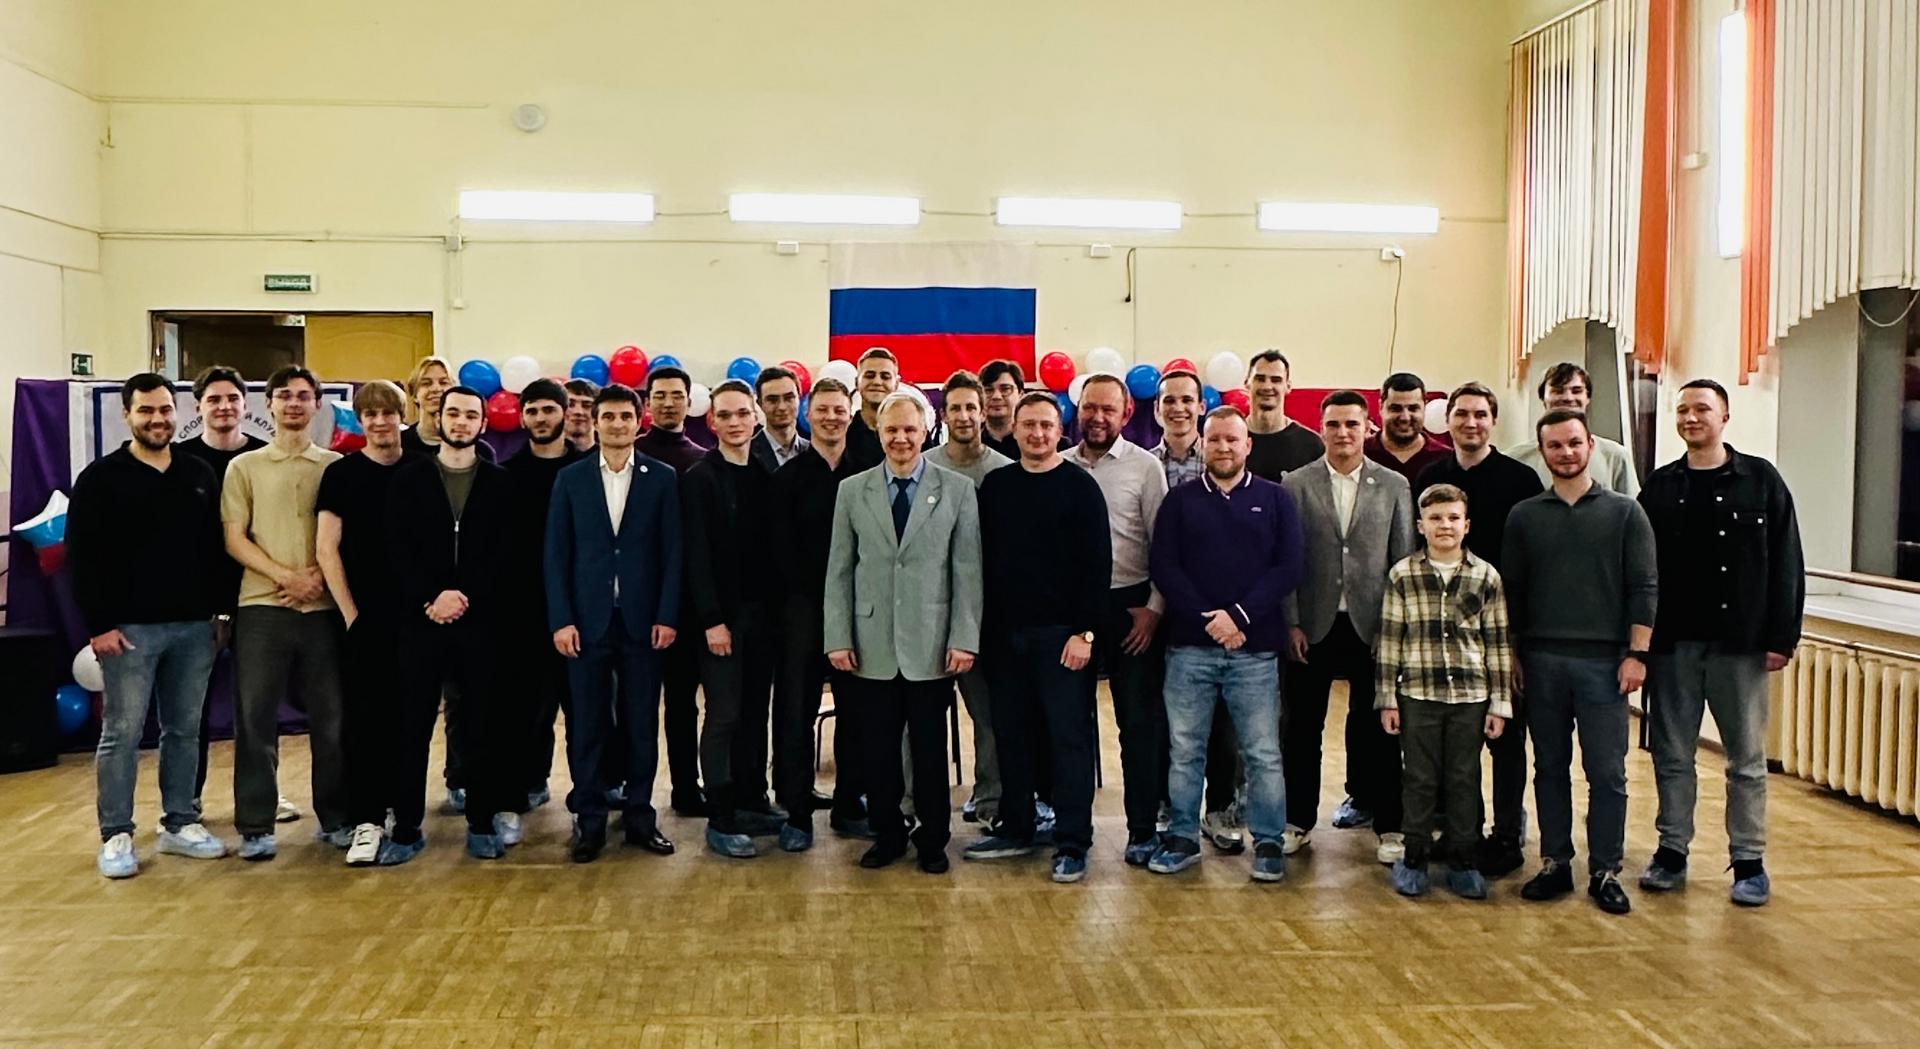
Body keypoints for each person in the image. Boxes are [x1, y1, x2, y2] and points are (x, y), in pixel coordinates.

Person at [1637, 379, 1804, 907]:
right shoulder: (1660, 487)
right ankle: (1671, 851)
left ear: (1724, 417)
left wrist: (1782, 637)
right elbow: (1639, 569)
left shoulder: (1761, 480)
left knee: (1747, 760)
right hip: (1673, 646)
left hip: (1741, 645)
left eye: (1702, 409)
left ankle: (1749, 861)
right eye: (1683, 409)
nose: (1691, 418)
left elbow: (1787, 562)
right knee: (1672, 756)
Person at [71, 373, 229, 878]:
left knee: (184, 730)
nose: (157, 419)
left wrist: (221, 613)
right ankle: (116, 833)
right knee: (121, 733)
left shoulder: (198, 472)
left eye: (164, 410)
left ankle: (180, 822)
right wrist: (99, 625)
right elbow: (83, 558)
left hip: (194, 628)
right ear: (127, 415)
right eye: (146, 410)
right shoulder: (100, 479)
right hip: (129, 632)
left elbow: (215, 550)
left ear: (176, 413)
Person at [1504, 409, 1657, 915]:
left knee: (1607, 773)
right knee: (1549, 768)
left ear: (1591, 446)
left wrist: (1637, 654)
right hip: (1541, 661)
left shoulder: (1626, 513)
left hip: (1605, 664)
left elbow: (1644, 587)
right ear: (1542, 452)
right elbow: (1513, 592)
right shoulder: (1524, 516)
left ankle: (1606, 869)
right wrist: (1514, 654)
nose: (1565, 452)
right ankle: (1555, 862)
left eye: (1574, 442)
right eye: (1555, 445)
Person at [824, 392, 983, 873]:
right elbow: (839, 570)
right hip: (871, 642)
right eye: (891, 430)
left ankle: (933, 839)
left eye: (910, 430)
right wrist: (838, 636)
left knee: (929, 750)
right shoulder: (852, 490)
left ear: (925, 431)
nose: (900, 438)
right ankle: (887, 834)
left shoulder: (957, 490)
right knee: (878, 749)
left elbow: (967, 571)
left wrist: (964, 638)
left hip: (932, 642)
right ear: (879, 433)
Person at [1146, 407, 1305, 882]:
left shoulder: (1276, 499)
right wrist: (1208, 619)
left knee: (1262, 753)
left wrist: (1238, 616)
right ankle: (1181, 838)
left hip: (1254, 650)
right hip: (1189, 649)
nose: (1223, 447)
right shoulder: (1179, 501)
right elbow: (1165, 566)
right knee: (1184, 750)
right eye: (1214, 439)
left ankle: (1269, 841)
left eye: (1232, 440)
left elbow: (1288, 567)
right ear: (1202, 444)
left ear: (1247, 445)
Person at [966, 392, 1109, 882]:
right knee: (1011, 735)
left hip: (1063, 640)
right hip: (1005, 639)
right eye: (1029, 424)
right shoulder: (997, 486)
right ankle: (1017, 827)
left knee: (1067, 741)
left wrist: (1085, 633)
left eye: (1047, 425)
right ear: (1015, 428)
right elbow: (981, 562)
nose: (1037, 433)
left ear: (1060, 430)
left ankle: (1072, 841)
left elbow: (1098, 567)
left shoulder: (1081, 487)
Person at [546, 383, 682, 862]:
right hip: (586, 623)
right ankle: (589, 820)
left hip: (644, 624)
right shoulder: (571, 479)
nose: (617, 424)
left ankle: (641, 816)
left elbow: (673, 551)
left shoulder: (661, 477)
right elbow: (556, 554)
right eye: (609, 417)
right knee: (587, 726)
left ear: (639, 422)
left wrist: (667, 614)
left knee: (642, 723)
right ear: (595, 422)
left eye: (626, 416)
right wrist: (562, 620)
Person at [1412, 382, 1543, 876]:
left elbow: (1531, 563)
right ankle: (1456, 831)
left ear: (1493, 421)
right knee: (1450, 745)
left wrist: (1515, 642)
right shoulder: (1431, 476)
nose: (1470, 423)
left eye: (1480, 415)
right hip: (1441, 633)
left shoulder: (1521, 480)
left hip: (1501, 630)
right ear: (1447, 420)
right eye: (1461, 414)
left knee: (1505, 740)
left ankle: (1506, 834)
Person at [1281, 390, 1415, 862]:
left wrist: (1395, 631)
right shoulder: (1296, 484)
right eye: (1334, 424)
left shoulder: (1394, 485)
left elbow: (1402, 561)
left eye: (1352, 424)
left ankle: (1390, 825)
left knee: (1380, 728)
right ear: (1321, 429)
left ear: (1368, 428)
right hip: (1313, 625)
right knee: (1301, 729)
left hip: (1373, 626)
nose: (1342, 433)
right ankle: (1296, 821)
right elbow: (1287, 560)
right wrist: (1291, 622)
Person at [386, 386, 517, 860]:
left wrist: (465, 598)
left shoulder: (501, 484)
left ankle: (482, 822)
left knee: (482, 724)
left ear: (484, 424)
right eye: (453, 413)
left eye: (470, 415)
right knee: (411, 726)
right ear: (437, 418)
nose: (461, 422)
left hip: (480, 624)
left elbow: (507, 554)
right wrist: (431, 596)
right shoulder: (408, 479)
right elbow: (396, 549)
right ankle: (406, 827)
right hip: (421, 621)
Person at [222, 365, 345, 861]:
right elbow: (235, 538)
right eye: (284, 396)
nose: (294, 403)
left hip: (324, 609)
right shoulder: (244, 468)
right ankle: (256, 824)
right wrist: (285, 577)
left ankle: (337, 817)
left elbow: (346, 539)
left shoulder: (335, 466)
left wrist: (316, 577)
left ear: (317, 404)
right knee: (255, 718)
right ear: (268, 404)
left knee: (332, 719)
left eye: (303, 396)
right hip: (262, 609)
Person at [1375, 483, 1513, 900]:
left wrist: (1500, 703)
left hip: (1470, 698)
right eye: (1435, 518)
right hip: (1418, 695)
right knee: (1419, 778)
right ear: (1420, 525)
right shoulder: (1403, 574)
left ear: (1467, 525)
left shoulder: (1486, 576)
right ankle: (1414, 855)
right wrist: (1387, 698)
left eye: (1454, 518)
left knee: (1463, 778)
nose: (1445, 526)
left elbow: (1498, 643)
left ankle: (1463, 858)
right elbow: (1390, 640)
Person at [314, 380, 422, 866]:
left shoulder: (422, 470)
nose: (380, 421)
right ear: (359, 420)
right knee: (364, 722)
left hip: (417, 619)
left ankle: (406, 815)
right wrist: (351, 614)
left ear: (403, 415)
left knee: (410, 722)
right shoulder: (341, 475)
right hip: (363, 619)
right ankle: (367, 820)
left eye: (387, 412)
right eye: (370, 414)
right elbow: (326, 548)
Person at [1066, 374, 1170, 867]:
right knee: (1071, 725)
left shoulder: (1145, 467)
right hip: (1075, 610)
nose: (1098, 417)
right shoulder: (1061, 465)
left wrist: (1154, 609)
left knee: (1139, 726)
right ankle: (1073, 833)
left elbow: (1164, 545)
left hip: (1133, 609)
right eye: (1090, 407)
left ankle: (1143, 830)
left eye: (1108, 409)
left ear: (1127, 413)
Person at [681, 380, 782, 857]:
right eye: (726, 415)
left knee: (754, 714)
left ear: (756, 417)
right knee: (723, 714)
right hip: (720, 622)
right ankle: (720, 816)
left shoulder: (765, 473)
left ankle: (750, 800)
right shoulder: (700, 478)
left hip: (762, 619)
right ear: (712, 422)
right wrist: (711, 621)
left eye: (743, 413)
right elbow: (696, 556)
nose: (736, 422)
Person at [173, 365, 277, 820]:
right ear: (198, 406)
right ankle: (188, 799)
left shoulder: (263, 457)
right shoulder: (180, 462)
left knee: (257, 708)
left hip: (258, 600)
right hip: (198, 607)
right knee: (190, 710)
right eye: (214, 399)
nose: (224, 407)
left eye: (232, 399)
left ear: (245, 404)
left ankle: (262, 795)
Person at [770, 379, 868, 850]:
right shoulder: (786, 478)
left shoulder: (868, 472)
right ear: (808, 415)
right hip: (801, 612)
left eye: (839, 409)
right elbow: (779, 553)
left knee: (857, 712)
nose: (831, 417)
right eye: (822, 409)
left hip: (858, 611)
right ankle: (796, 813)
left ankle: (850, 804)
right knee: (795, 712)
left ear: (850, 414)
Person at [923, 370, 1014, 826]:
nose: (963, 415)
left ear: (983, 412)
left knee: (989, 714)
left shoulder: (1004, 471)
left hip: (986, 616)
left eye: (970, 407)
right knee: (921, 719)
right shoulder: (922, 466)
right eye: (955, 407)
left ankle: (991, 798)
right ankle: (918, 805)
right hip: (928, 613)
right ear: (943, 414)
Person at [502, 379, 586, 812]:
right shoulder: (506, 475)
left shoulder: (588, 470)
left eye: (548, 409)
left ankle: (589, 791)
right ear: (522, 418)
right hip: (525, 611)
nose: (540, 418)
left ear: (565, 414)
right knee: (529, 709)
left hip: (582, 609)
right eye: (532, 410)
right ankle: (529, 782)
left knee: (585, 709)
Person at [634, 365, 706, 815]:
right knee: (636, 706)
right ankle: (632, 791)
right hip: (639, 600)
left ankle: (686, 787)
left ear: (688, 401)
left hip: (688, 603)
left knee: (683, 703)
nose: (667, 403)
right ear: (648, 403)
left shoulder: (703, 458)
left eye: (676, 395)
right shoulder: (631, 455)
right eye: (659, 395)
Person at [1510, 362, 1638, 495]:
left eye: (1576, 391)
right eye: (1558, 391)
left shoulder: (1615, 457)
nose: (1568, 398)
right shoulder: (1516, 459)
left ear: (1588, 398)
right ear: (1543, 398)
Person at [1243, 350, 1325, 482]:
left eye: (1276, 380)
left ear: (1288, 386)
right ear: (1247, 383)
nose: (1267, 386)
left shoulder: (1312, 445)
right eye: (1260, 379)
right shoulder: (1229, 440)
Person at [401, 355, 495, 462]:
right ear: (414, 394)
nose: (436, 388)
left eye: (443, 382)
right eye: (426, 383)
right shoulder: (401, 444)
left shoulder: (481, 450)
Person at [1364, 372, 1451, 484]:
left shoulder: (1446, 460)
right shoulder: (1361, 454)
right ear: (1381, 407)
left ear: (1424, 407)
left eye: (1413, 408)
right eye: (1396, 408)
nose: (1405, 417)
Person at [1148, 369, 1207, 490]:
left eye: (1187, 400)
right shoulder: (1144, 463)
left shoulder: (1218, 459)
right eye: (1169, 401)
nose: (1178, 408)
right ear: (1157, 409)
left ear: (1201, 407)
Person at [844, 347, 901, 469]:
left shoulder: (913, 433)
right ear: (856, 383)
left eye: (885, 376)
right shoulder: (843, 434)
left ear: (896, 384)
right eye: (869, 376)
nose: (877, 382)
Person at [750, 365, 810, 471]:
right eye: (772, 400)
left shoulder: (815, 452)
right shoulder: (746, 453)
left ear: (799, 398)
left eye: (789, 398)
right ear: (760, 404)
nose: (782, 407)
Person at [978, 359, 1027, 460]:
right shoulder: (970, 446)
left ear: (1020, 395)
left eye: (1005, 389)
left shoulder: (1036, 443)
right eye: (988, 390)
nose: (996, 396)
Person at [563, 378, 600, 454]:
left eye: (587, 405)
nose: (578, 411)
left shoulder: (608, 457)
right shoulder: (543, 455)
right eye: (570, 404)